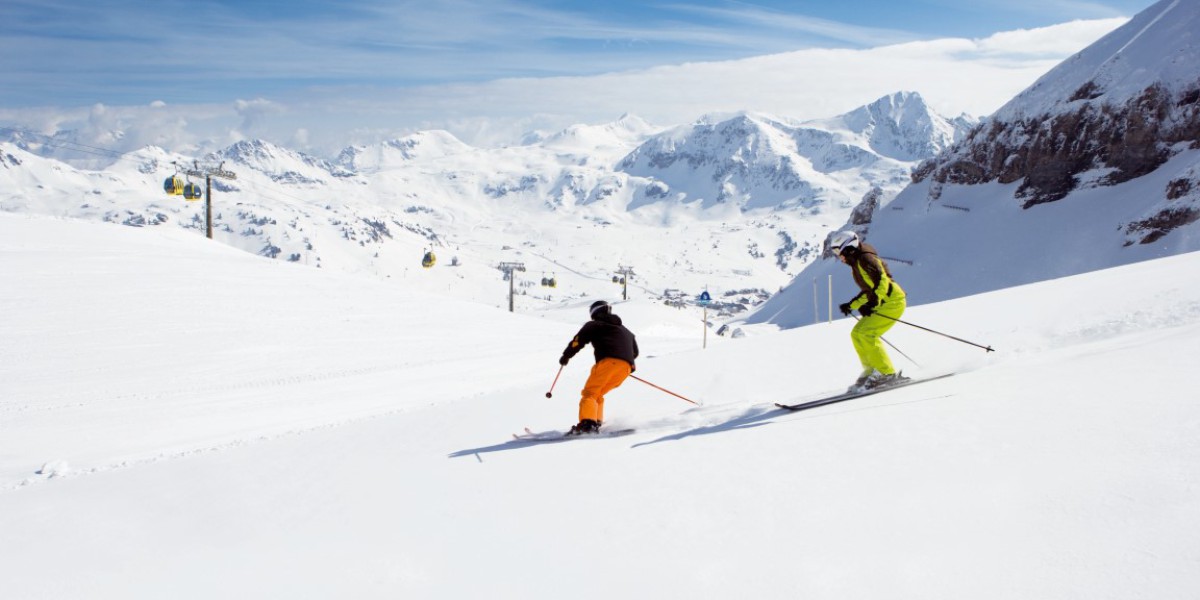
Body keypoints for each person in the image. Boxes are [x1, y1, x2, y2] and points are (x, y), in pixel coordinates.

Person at [830, 230, 909, 392]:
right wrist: (852, 304)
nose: (839, 256)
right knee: (857, 333)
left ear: (848, 247)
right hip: (884, 301)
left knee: (867, 333)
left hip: (892, 302)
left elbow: (882, 281)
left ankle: (887, 374)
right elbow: (869, 289)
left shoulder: (866, 258)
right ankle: (871, 371)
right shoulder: (857, 262)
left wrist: (873, 302)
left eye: (838, 251)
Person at [558, 300, 639, 435]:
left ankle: (587, 425)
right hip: (626, 368)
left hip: (608, 363)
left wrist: (566, 356)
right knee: (598, 393)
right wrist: (622, 363)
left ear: (594, 313)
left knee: (589, 393)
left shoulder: (594, 325)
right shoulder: (627, 331)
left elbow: (578, 341)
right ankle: (596, 421)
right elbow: (634, 352)